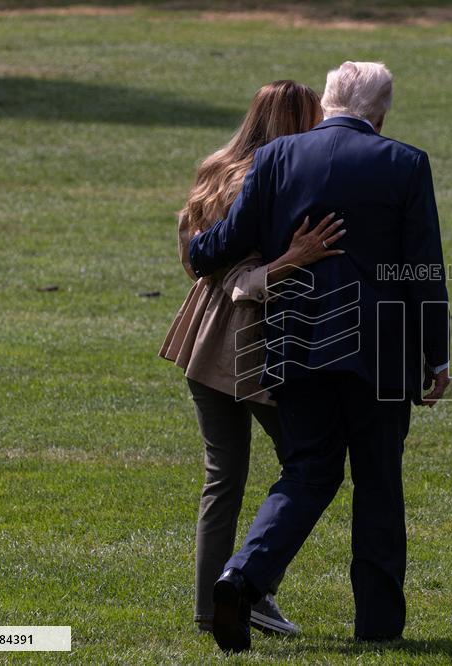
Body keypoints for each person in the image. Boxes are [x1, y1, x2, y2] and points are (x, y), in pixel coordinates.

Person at [189, 61, 451, 653]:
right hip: (381, 352)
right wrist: (437, 355)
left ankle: (240, 577)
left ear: (328, 101)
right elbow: (421, 269)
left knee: (308, 469)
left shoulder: (277, 158)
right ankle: (378, 626)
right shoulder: (405, 163)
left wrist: (197, 243)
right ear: (380, 113)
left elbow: (219, 247)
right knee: (379, 482)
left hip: (296, 343)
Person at [159, 80, 344, 637]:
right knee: (309, 464)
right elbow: (245, 282)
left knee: (223, 479)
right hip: (253, 340)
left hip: (202, 336)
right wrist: (297, 257)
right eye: (313, 119)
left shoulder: (213, 168)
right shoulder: (271, 180)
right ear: (293, 123)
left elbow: (195, 263)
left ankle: (211, 605)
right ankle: (251, 588)